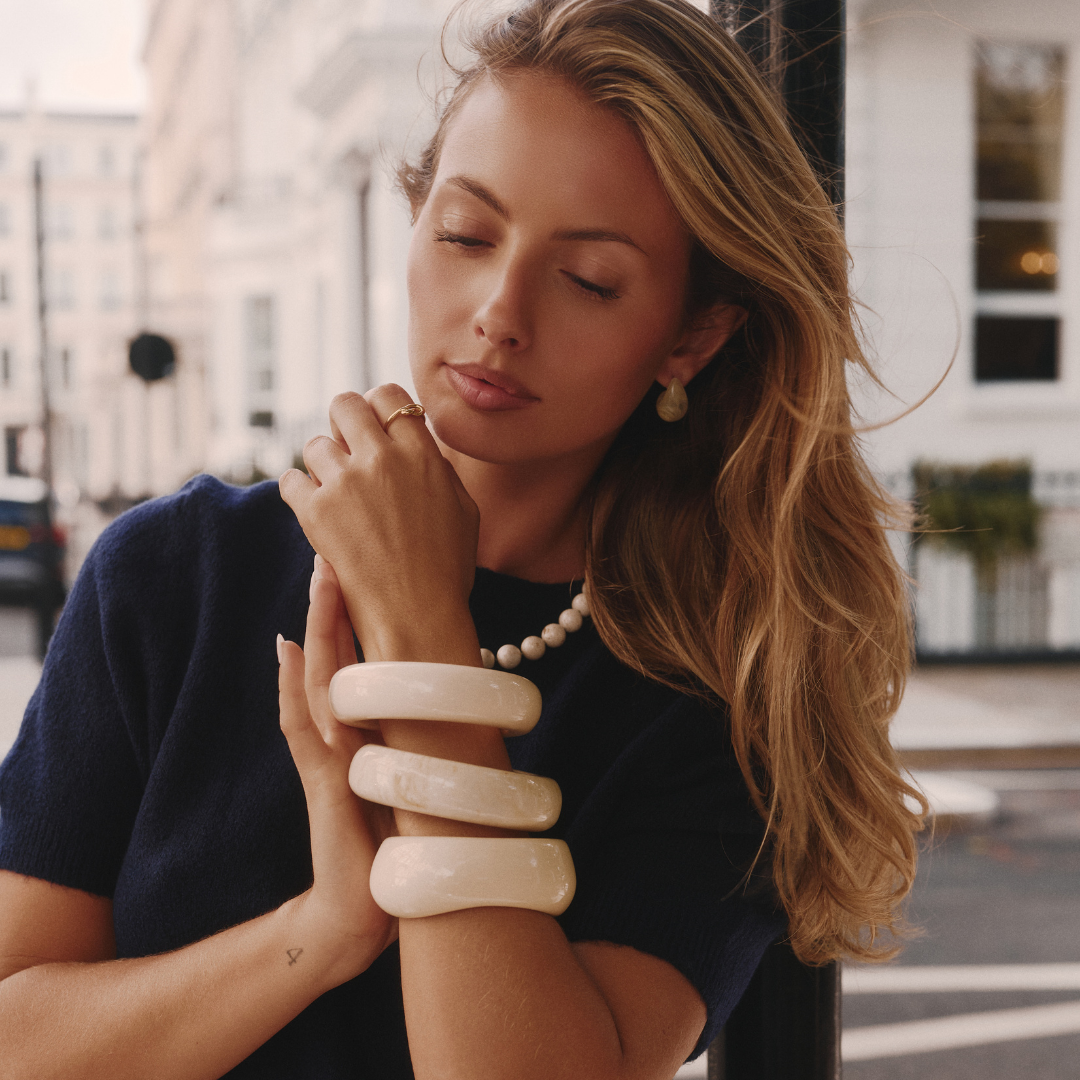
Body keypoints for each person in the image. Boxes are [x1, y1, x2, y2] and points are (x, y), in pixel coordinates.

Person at [0, 0, 924, 1076]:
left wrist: (424, 634)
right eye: (465, 233)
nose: (498, 309)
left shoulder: (720, 690)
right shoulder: (170, 576)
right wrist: (323, 932)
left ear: (692, 335)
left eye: (588, 278)